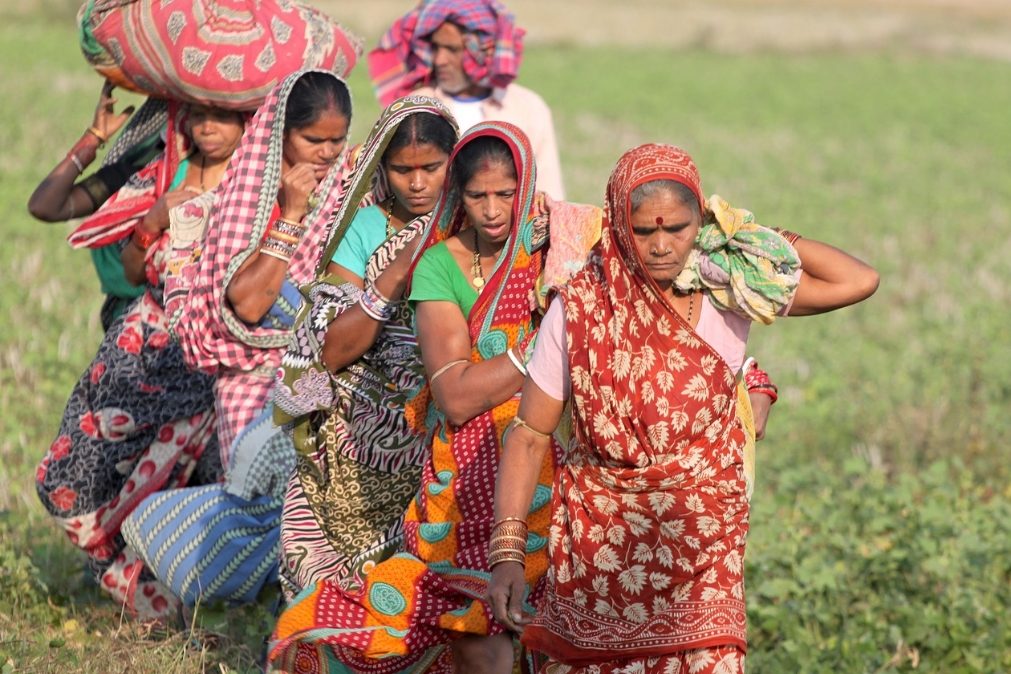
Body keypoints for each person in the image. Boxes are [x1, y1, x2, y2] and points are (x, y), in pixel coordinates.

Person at [486, 144, 879, 673]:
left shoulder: (727, 290)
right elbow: (531, 432)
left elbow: (858, 281)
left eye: (679, 228)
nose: (662, 246)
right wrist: (508, 553)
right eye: (644, 231)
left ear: (702, 221)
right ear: (620, 226)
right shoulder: (578, 308)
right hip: (600, 561)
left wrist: (756, 240)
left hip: (703, 559)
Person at [269, 121, 601, 674]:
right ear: (459, 195)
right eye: (477, 195)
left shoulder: (560, 250)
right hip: (467, 476)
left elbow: (652, 280)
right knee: (473, 628)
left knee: (553, 626)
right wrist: (548, 350)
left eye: (505, 194)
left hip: (555, 466)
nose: (493, 210)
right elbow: (455, 394)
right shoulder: (439, 264)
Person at [121, 70, 354, 610]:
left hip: (325, 373)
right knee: (266, 509)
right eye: (312, 140)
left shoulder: (348, 192)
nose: (325, 154)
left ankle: (306, 626)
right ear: (279, 134)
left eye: (335, 141)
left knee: (321, 516)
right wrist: (292, 218)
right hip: (250, 381)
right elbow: (246, 304)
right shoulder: (245, 200)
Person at [35, 102, 246, 620]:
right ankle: (128, 579)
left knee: (201, 480)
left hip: (213, 360)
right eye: (197, 116)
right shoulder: (159, 168)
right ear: (183, 119)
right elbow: (129, 269)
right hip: (138, 353)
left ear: (249, 119)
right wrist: (154, 218)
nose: (208, 128)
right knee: (74, 473)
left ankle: (189, 606)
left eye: (223, 115)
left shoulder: (259, 184)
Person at [272, 95, 459, 599]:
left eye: (432, 168)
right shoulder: (367, 225)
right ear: (382, 165)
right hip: (356, 429)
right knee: (318, 569)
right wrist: (396, 271)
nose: (418, 184)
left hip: (444, 418)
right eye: (402, 170)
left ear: (455, 161)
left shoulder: (477, 222)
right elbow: (332, 349)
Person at [368, 0, 566, 200]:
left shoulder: (528, 108)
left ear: (481, 52)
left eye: (452, 49)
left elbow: (549, 194)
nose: (439, 60)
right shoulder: (417, 105)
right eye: (436, 48)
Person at [28, 80, 168, 329]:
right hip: (130, 327)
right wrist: (93, 137)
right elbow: (45, 206)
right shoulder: (133, 175)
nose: (204, 127)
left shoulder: (235, 181)